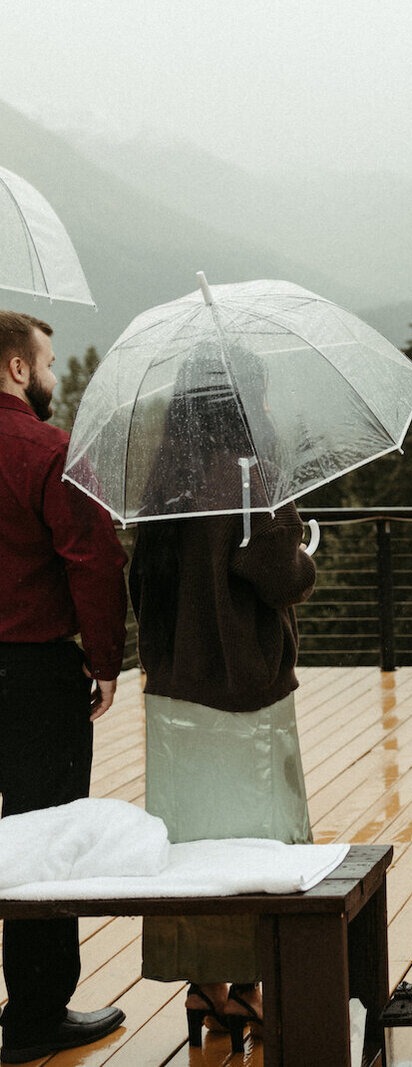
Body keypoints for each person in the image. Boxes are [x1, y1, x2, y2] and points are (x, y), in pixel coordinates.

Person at [128, 364, 317, 1053]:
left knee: (191, 844)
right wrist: (306, 554)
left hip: (175, 692)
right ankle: (249, 983)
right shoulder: (249, 476)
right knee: (259, 841)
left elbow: (139, 583)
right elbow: (278, 577)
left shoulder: (162, 481)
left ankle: (205, 987)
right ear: (243, 403)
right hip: (246, 693)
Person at [0, 311, 128, 1063]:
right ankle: (38, 1013)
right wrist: (105, 659)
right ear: (18, 368)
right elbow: (94, 557)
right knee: (41, 840)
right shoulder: (48, 449)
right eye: (46, 363)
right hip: (34, 675)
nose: (51, 375)